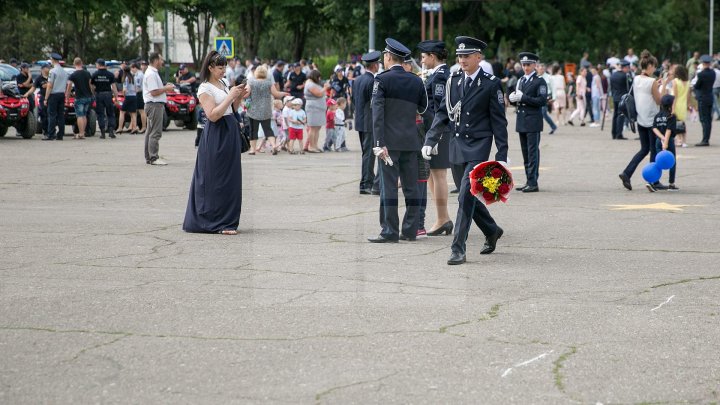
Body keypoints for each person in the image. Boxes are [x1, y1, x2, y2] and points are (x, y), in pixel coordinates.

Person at [423, 36, 508, 265]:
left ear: (478, 57)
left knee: (464, 195)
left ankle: (457, 247)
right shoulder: (453, 80)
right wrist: (430, 140)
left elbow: (499, 122)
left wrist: (502, 156)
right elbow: (443, 113)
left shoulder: (490, 83)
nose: (462, 60)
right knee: (468, 197)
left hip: (478, 146)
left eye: (467, 56)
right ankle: (492, 229)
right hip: (456, 145)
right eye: (459, 56)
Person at [367, 38, 428, 244]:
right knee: (412, 187)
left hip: (389, 143)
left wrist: (378, 143)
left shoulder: (382, 80)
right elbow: (423, 108)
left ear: (388, 57)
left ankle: (390, 230)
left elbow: (378, 114)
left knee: (389, 187)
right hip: (411, 141)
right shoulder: (416, 80)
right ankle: (410, 230)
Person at [183, 50, 248, 235]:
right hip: (217, 133)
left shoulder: (224, 82)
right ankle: (214, 222)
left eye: (225, 66)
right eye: (220, 67)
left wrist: (239, 95)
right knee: (215, 178)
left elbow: (233, 108)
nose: (223, 70)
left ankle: (228, 220)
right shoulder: (205, 88)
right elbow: (212, 115)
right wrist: (230, 96)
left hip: (230, 129)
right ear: (210, 68)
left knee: (230, 178)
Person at [418, 40, 453, 236]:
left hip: (438, 131)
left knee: (438, 175)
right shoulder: (436, 75)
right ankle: (443, 217)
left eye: (424, 57)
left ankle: (442, 219)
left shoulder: (440, 77)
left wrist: (434, 136)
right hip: (432, 131)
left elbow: (439, 109)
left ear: (433, 56)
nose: (422, 61)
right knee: (432, 175)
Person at [619, 50, 667, 191]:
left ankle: (627, 173)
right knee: (653, 150)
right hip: (652, 121)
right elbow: (659, 101)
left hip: (640, 119)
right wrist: (662, 86)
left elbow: (643, 93)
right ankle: (654, 181)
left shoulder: (636, 79)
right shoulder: (652, 81)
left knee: (644, 149)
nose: (655, 69)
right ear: (650, 65)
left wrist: (655, 86)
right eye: (654, 67)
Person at [508, 52, 546, 193]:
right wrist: (513, 99)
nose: (525, 67)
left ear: (534, 65)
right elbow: (519, 100)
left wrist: (523, 98)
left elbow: (541, 101)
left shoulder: (539, 81)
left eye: (528, 65)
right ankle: (528, 180)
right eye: (524, 65)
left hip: (533, 121)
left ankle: (533, 182)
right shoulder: (521, 80)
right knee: (525, 153)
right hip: (522, 120)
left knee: (532, 153)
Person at [352, 51, 382, 195]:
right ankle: (366, 183)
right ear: (375, 65)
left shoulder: (357, 80)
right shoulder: (372, 81)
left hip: (360, 121)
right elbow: (374, 103)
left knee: (366, 154)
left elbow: (354, 100)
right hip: (369, 122)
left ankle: (365, 182)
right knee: (369, 155)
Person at [246, 65, 288, 155]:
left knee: (253, 130)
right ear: (265, 73)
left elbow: (246, 94)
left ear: (256, 73)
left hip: (253, 110)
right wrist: (284, 93)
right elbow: (276, 94)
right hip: (266, 109)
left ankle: (253, 149)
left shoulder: (251, 82)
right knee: (268, 129)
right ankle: (273, 145)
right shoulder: (269, 83)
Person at [143, 52, 176, 165]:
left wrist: (165, 87)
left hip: (153, 105)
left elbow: (155, 89)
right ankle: (153, 157)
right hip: (154, 105)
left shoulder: (152, 73)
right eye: (161, 59)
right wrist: (166, 88)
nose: (162, 62)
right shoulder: (151, 74)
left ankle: (149, 157)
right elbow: (154, 92)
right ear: (156, 60)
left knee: (150, 132)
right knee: (155, 132)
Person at [652, 95, 679, 191]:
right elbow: (669, 130)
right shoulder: (671, 116)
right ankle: (671, 184)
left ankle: (653, 181)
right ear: (671, 105)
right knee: (672, 162)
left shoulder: (657, 115)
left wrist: (661, 138)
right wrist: (666, 142)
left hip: (658, 141)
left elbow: (654, 128)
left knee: (658, 162)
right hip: (668, 141)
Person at [91, 59, 118, 139]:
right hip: (108, 95)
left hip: (99, 95)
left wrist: (93, 93)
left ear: (98, 65)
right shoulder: (110, 74)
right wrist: (116, 97)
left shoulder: (95, 74)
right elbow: (114, 86)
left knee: (100, 114)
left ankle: (102, 132)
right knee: (110, 113)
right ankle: (111, 131)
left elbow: (92, 86)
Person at [66, 57, 93, 139]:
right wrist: (91, 94)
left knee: (79, 115)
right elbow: (90, 85)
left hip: (79, 97)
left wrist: (67, 97)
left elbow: (69, 86)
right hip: (88, 97)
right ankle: (83, 132)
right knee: (84, 115)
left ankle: (81, 133)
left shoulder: (73, 75)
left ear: (74, 64)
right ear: (81, 63)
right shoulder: (87, 73)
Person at [43, 52, 68, 141]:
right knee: (60, 115)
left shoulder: (52, 71)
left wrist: (46, 98)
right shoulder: (64, 72)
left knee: (52, 115)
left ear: (53, 60)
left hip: (53, 95)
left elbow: (49, 85)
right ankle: (60, 134)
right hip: (62, 94)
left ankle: (51, 134)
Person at [303, 70, 329, 152]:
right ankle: (311, 146)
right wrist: (325, 88)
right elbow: (318, 94)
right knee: (313, 127)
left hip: (318, 108)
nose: (319, 79)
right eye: (318, 77)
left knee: (317, 127)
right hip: (313, 108)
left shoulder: (312, 83)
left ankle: (315, 145)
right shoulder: (309, 84)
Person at [693, 55, 715, 146]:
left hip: (702, 99)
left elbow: (697, 86)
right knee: (708, 120)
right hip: (710, 97)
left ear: (703, 63)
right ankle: (707, 138)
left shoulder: (701, 74)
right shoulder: (713, 73)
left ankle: (705, 140)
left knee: (703, 119)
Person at [610, 60, 632, 139]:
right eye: (628, 68)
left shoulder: (613, 75)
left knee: (615, 115)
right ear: (625, 67)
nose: (629, 69)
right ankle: (619, 134)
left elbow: (611, 87)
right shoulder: (626, 75)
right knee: (621, 115)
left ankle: (614, 133)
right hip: (622, 98)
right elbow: (630, 86)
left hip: (615, 97)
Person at [671, 65, 690, 147]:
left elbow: (675, 96)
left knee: (676, 123)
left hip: (677, 104)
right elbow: (688, 96)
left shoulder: (675, 81)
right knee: (682, 123)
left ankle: (678, 140)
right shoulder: (688, 82)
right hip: (684, 104)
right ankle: (684, 141)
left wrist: (673, 108)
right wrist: (688, 105)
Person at [117, 66, 139, 134]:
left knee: (122, 112)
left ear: (124, 71)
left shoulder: (126, 78)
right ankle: (134, 128)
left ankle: (120, 128)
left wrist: (124, 95)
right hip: (134, 96)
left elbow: (125, 89)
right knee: (133, 113)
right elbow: (136, 88)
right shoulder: (133, 78)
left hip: (128, 96)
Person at [537, 63, 558, 134]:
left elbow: (553, 88)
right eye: (540, 68)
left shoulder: (549, 77)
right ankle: (538, 128)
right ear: (537, 69)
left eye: (542, 68)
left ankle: (553, 126)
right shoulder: (536, 77)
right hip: (537, 97)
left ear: (545, 69)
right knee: (539, 113)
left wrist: (554, 98)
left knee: (543, 113)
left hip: (547, 97)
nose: (541, 70)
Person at [34, 64, 50, 136]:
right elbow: (34, 87)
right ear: (43, 69)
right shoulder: (39, 78)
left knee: (51, 115)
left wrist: (48, 85)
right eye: (47, 68)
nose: (49, 69)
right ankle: (45, 131)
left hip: (51, 97)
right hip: (43, 97)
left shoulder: (51, 77)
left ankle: (51, 131)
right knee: (44, 114)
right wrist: (27, 93)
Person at [133, 63, 147, 134]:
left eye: (132, 68)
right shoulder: (140, 74)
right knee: (138, 111)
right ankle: (137, 126)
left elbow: (138, 86)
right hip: (140, 93)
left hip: (140, 93)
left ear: (135, 68)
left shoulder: (139, 75)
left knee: (141, 111)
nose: (132, 70)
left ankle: (144, 127)